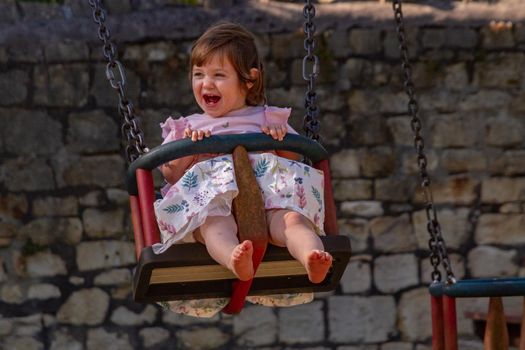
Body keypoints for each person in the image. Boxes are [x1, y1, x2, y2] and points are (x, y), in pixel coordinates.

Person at [154, 22, 332, 317]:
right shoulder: (188, 127)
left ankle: (311, 256)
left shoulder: (268, 118)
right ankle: (233, 258)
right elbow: (171, 175)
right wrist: (188, 150)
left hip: (267, 206)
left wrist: (280, 138)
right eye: (198, 74)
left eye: (218, 75)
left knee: (291, 222)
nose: (206, 83)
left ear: (249, 80)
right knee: (215, 227)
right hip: (213, 206)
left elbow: (296, 161)